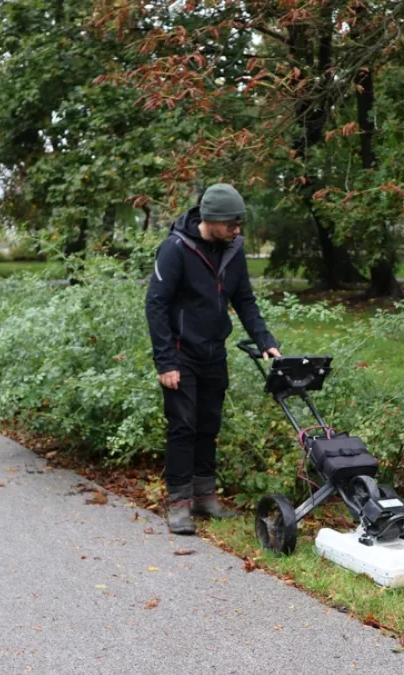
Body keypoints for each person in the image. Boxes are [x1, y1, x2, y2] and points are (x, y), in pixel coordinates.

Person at [145, 183, 281, 535]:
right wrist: (165, 361)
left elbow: (245, 301)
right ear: (211, 219)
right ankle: (178, 504)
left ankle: (205, 497)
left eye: (240, 224)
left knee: (208, 424)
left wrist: (265, 340)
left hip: (212, 353)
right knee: (182, 426)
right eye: (232, 224)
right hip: (180, 353)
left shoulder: (232, 250)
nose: (238, 231)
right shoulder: (176, 248)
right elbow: (156, 305)